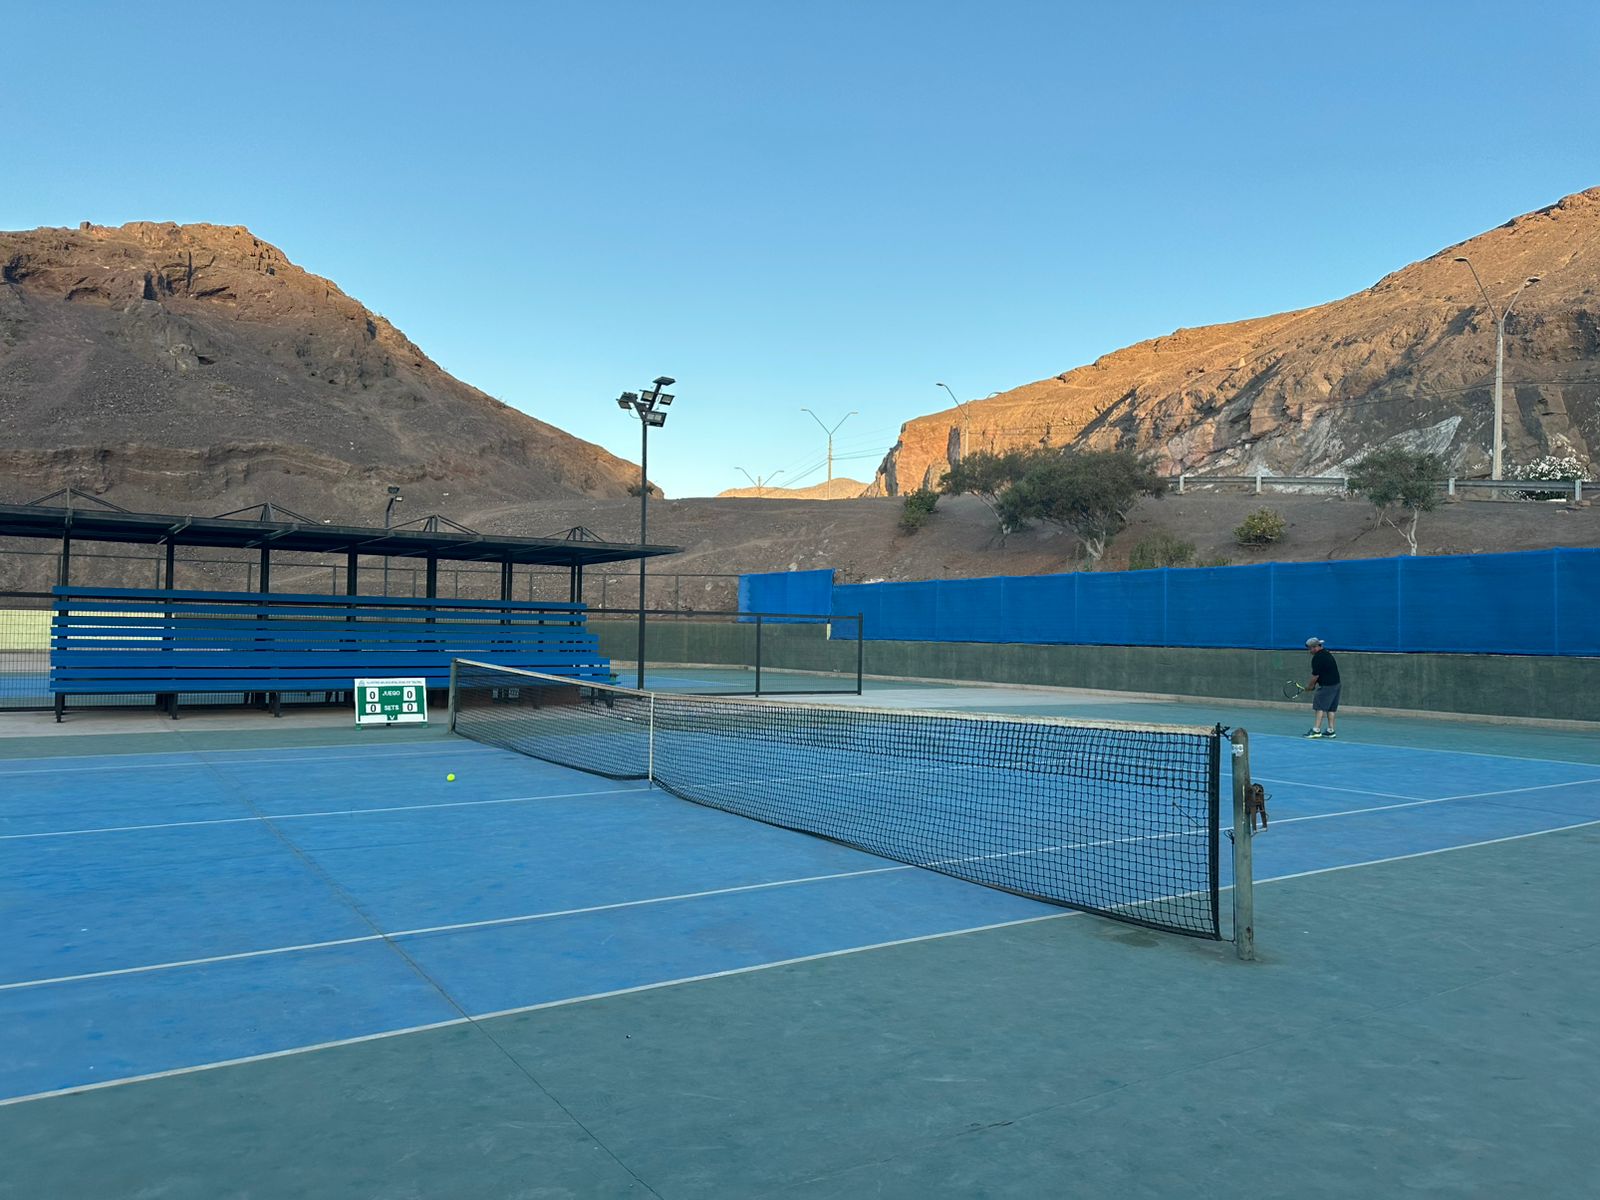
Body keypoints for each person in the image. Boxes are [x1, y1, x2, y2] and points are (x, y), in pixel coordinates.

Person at [1303, 637, 1341, 739]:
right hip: (1336, 685)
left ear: (1315, 647)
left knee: (1319, 707)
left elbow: (1316, 676)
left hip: (1327, 686)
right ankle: (1331, 731)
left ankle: (1316, 730)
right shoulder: (1327, 653)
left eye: (1310, 648)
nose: (1309, 651)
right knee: (1331, 709)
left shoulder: (1317, 658)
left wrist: (1310, 687)